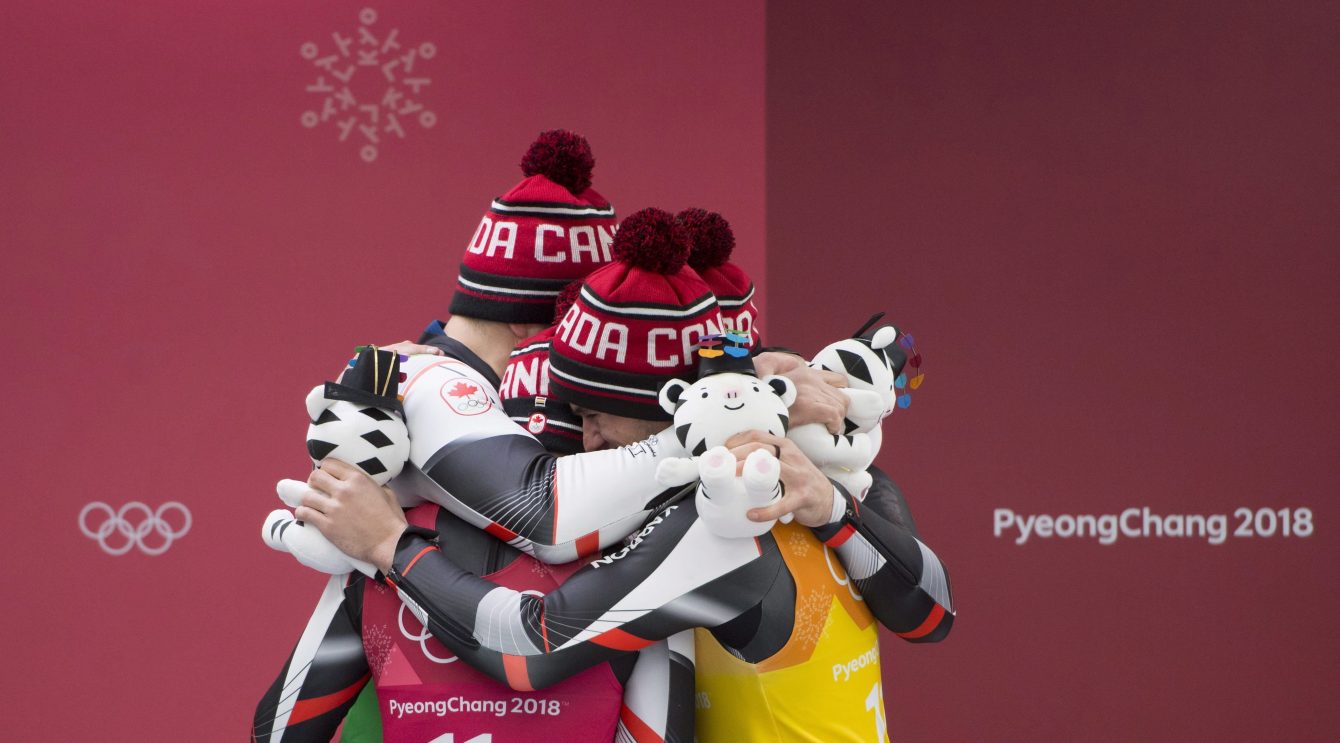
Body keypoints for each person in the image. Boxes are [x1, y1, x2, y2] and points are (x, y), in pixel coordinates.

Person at [300, 210, 954, 741]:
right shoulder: (795, 472)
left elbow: (531, 642)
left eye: (592, 415)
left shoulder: (723, 527)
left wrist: (390, 544)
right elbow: (927, 615)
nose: (581, 439)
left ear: (666, 399)